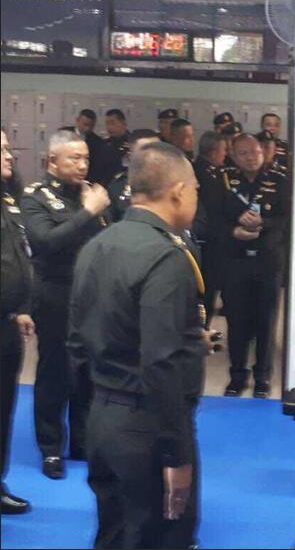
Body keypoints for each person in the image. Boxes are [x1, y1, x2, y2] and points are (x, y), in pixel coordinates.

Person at [68, 142, 208, 549]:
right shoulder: (166, 256)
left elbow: (76, 343)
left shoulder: (97, 245)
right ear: (178, 191)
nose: (195, 198)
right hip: (148, 425)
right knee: (161, 536)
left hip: (102, 417)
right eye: (195, 189)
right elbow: (160, 362)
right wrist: (176, 454)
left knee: (113, 532)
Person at [20, 130, 111, 479]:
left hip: (91, 294)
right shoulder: (36, 197)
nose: (82, 164)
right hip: (55, 294)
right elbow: (46, 242)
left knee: (88, 370)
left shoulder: (91, 194)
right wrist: (88, 213)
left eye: (86, 158)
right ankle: (50, 447)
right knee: (55, 371)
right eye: (74, 158)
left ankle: (83, 440)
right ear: (52, 162)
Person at [219, 134, 290, 398]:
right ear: (233, 156)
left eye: (256, 152)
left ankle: (262, 377)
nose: (251, 157)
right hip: (235, 260)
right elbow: (213, 217)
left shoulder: (279, 180)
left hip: (267, 261)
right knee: (237, 321)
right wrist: (233, 230)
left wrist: (264, 223)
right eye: (244, 153)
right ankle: (237, 375)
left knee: (265, 322)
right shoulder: (225, 180)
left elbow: (287, 218)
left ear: (263, 152)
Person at [1, 130, 35, 514]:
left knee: (3, 408)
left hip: (8, 322)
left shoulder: (8, 198)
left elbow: (18, 258)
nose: (10, 156)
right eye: (2, 151)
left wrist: (22, 306)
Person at [193, 131, 228, 324]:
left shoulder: (214, 172)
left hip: (210, 240)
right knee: (206, 289)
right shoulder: (204, 175)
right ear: (214, 152)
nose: (225, 154)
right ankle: (202, 329)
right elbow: (215, 209)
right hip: (208, 242)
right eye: (223, 150)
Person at [107, 129, 160, 222]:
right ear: (130, 156)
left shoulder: (173, 183)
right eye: (145, 153)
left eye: (158, 152)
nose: (153, 157)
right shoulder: (118, 186)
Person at [61, 109, 102, 183]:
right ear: (77, 121)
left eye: (91, 126)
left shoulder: (97, 141)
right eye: (85, 124)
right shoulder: (63, 134)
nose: (88, 128)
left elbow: (95, 165)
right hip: (64, 176)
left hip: (85, 180)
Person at [96, 109, 130, 185]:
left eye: (112, 123)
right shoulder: (104, 144)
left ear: (123, 123)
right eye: (107, 124)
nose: (109, 127)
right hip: (106, 185)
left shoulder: (133, 143)